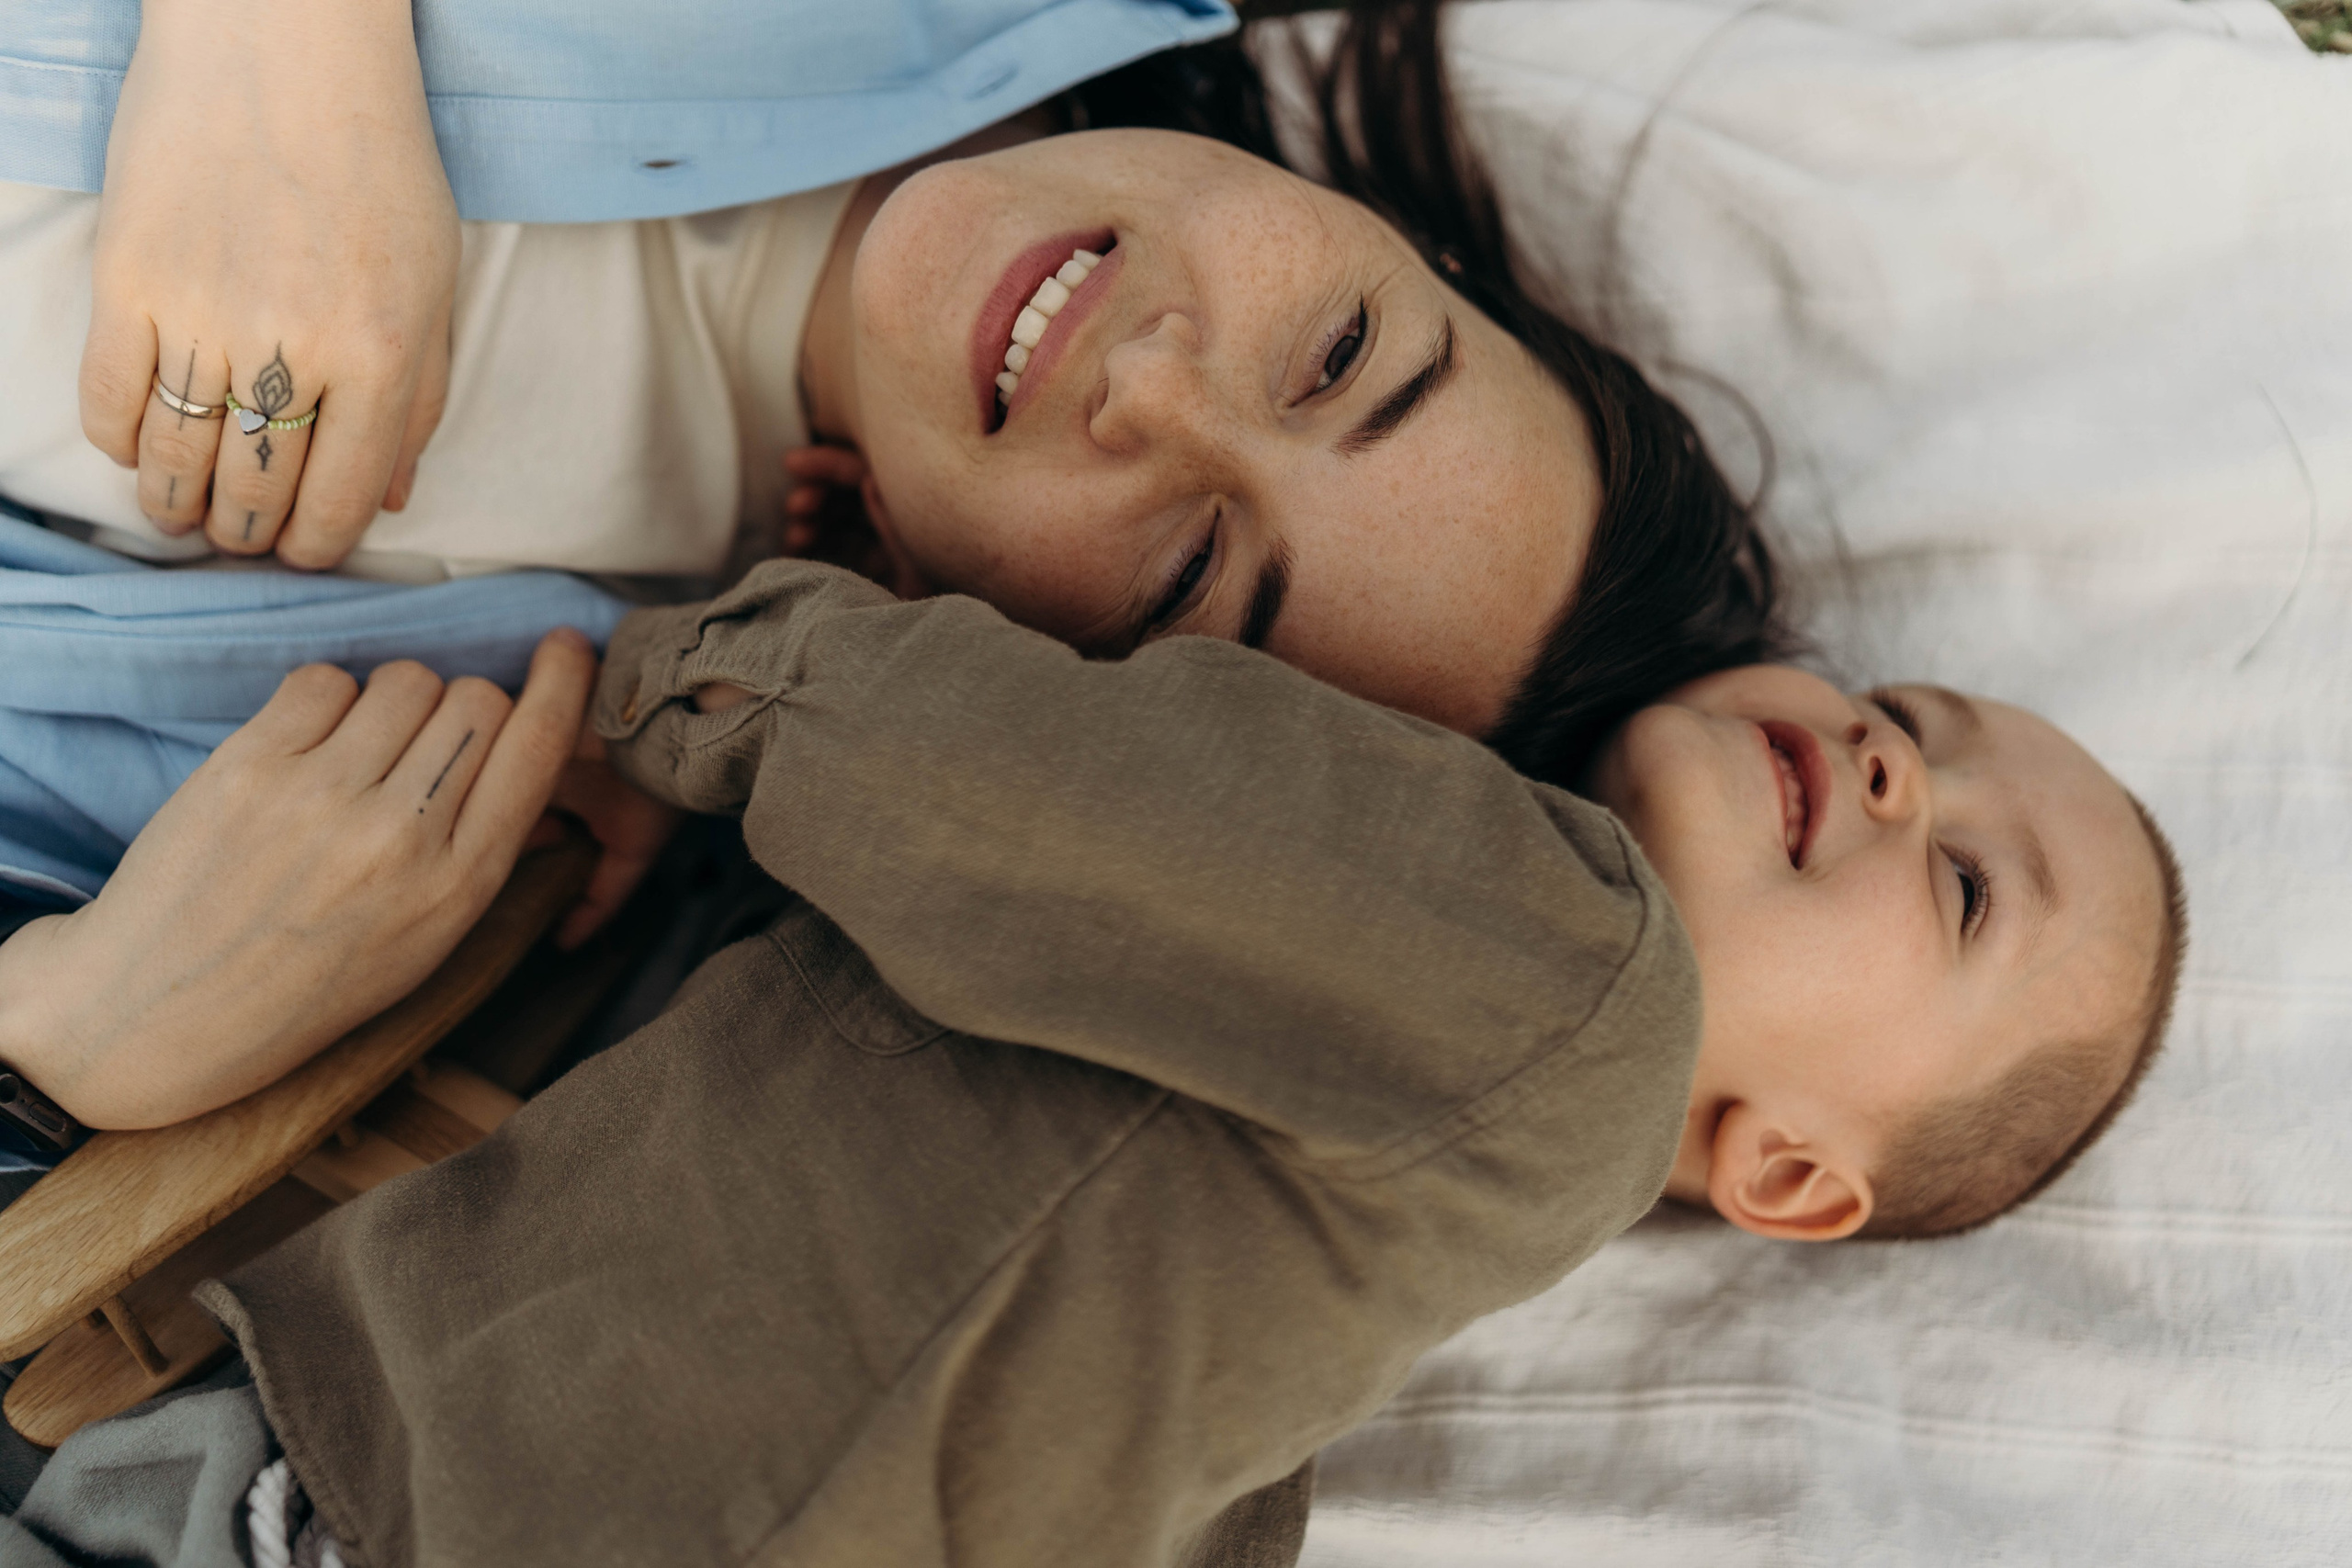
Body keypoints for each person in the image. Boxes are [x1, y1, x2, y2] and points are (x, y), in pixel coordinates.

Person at [0, 555, 2183, 1565]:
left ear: (1793, 1173)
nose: (1895, 768)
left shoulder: (1575, 979)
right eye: (1917, 715)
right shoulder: (1293, 1345)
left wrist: (673, 665)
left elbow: (979, 766)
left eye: (1967, 887)